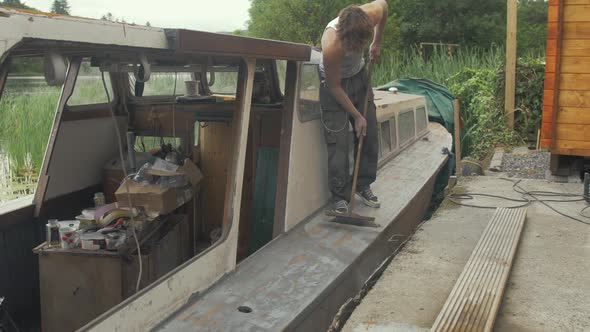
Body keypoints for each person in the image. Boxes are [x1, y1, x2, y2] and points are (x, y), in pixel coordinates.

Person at [319, 0, 388, 213]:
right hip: (334, 86)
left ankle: (362, 183)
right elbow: (335, 87)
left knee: (369, 131)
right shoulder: (332, 47)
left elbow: (384, 5)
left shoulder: (369, 15)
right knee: (338, 140)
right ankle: (340, 196)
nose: (360, 47)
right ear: (346, 37)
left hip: (359, 77)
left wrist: (376, 42)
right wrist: (357, 115)